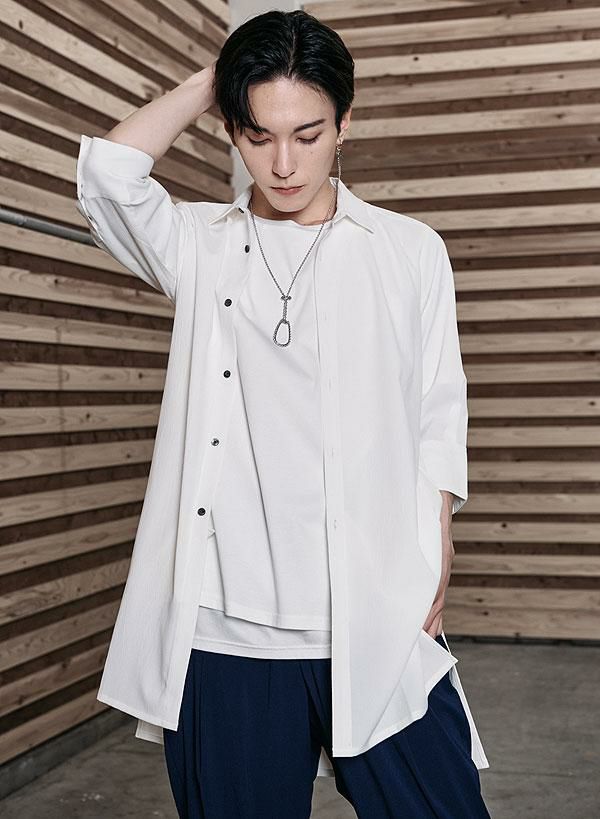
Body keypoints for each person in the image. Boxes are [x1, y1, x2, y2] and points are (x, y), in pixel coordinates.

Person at [76, 9, 493, 818]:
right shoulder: (198, 243)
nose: (284, 162)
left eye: (309, 133)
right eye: (258, 134)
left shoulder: (408, 250)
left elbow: (437, 416)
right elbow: (109, 177)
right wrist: (220, 78)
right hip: (224, 634)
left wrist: (438, 545)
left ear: (346, 123)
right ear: (233, 129)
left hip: (373, 614)